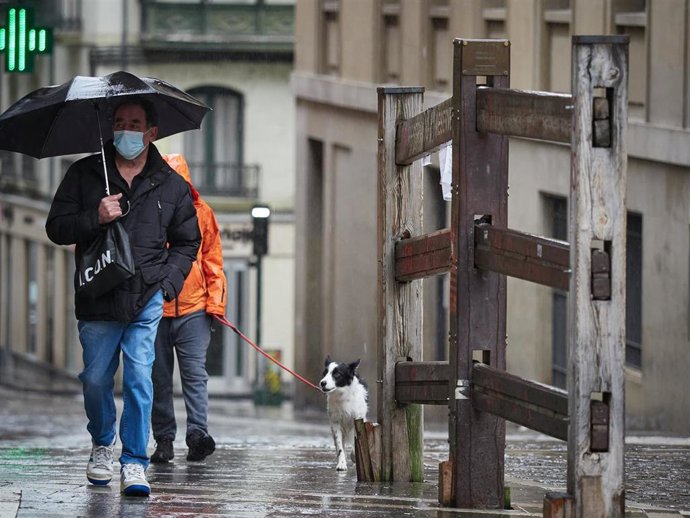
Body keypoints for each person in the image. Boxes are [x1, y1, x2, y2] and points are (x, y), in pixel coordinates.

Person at [45, 97, 201, 497]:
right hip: (98, 293)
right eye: (119, 122)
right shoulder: (84, 174)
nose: (126, 131)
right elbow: (57, 228)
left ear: (151, 133)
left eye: (135, 124)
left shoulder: (171, 184)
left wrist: (167, 282)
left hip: (146, 294)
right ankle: (102, 444)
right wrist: (94, 217)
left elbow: (187, 241)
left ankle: (134, 461)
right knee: (96, 379)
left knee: (138, 375)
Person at [150, 153, 227, 464]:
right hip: (155, 309)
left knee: (195, 375)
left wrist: (215, 303)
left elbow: (213, 260)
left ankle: (197, 434)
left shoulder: (202, 213)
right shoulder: (148, 211)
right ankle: (164, 440)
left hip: (194, 309)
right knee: (158, 377)